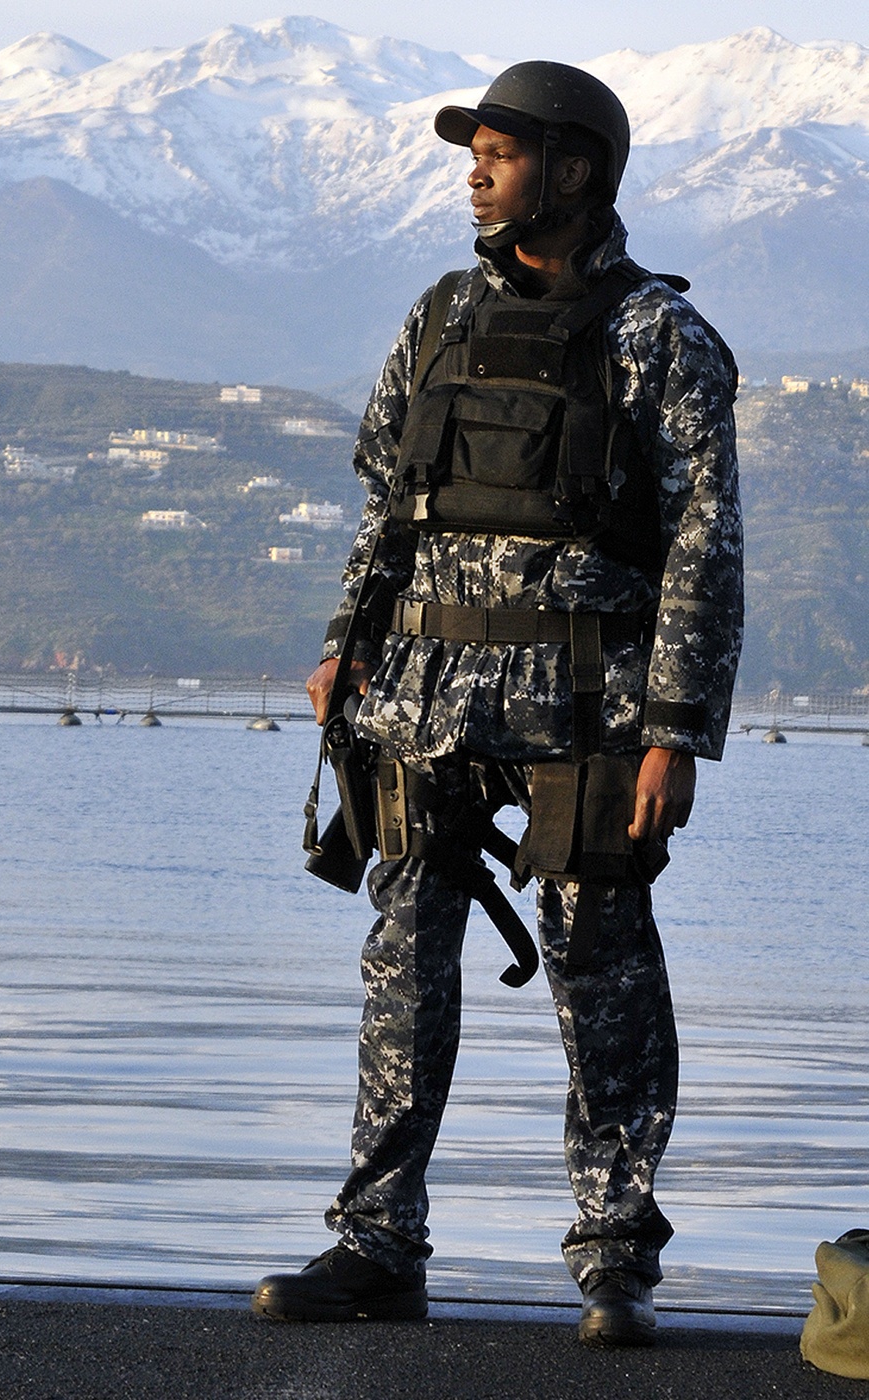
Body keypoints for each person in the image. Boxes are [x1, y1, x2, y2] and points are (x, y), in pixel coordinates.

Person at [252, 60, 743, 1346]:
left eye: (499, 149)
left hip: (587, 699)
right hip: (419, 693)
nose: (473, 168)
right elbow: (386, 500)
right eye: (471, 149)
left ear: (571, 171)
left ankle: (614, 1258)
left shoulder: (660, 337)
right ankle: (375, 1247)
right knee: (402, 965)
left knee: (603, 969)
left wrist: (675, 731)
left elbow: (704, 543)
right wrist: (342, 647)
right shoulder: (434, 317)